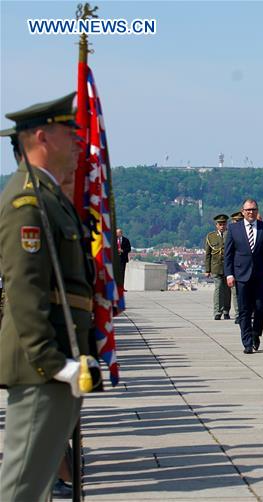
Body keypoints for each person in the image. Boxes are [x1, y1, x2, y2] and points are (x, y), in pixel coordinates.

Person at [0, 93, 96, 501]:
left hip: (58, 359)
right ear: (41, 136)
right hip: (43, 366)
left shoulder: (49, 195)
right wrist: (54, 363)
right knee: (22, 487)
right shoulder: (28, 200)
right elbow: (25, 290)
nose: (79, 142)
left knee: (36, 486)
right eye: (69, 132)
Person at [225, 198, 263, 354]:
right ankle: (247, 342)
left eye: (253, 209)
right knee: (244, 310)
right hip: (241, 275)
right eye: (248, 210)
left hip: (260, 274)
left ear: (257, 211)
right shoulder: (234, 229)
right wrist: (229, 274)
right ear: (243, 212)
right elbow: (228, 255)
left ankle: (256, 333)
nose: (251, 212)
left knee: (261, 307)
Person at [205, 214, 232, 320]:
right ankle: (217, 311)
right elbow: (207, 254)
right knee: (219, 288)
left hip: (228, 267)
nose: (222, 226)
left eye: (223, 224)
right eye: (220, 224)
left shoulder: (230, 234)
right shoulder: (211, 236)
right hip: (216, 267)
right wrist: (207, 269)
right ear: (216, 225)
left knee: (227, 290)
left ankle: (226, 310)